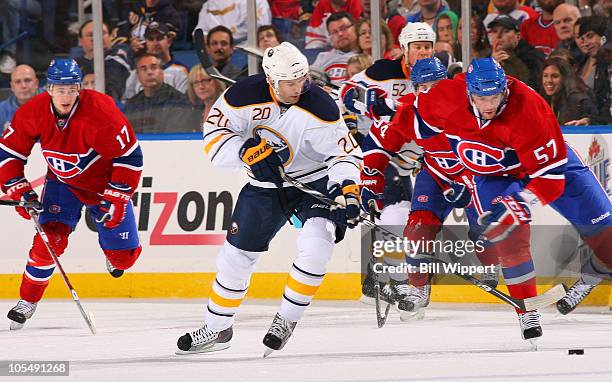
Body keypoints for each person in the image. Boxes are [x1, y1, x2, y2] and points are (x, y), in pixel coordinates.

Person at [176, 42, 361, 355]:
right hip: (263, 188)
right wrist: (245, 152)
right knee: (235, 258)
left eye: (303, 80)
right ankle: (218, 328)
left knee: (318, 244)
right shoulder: (241, 96)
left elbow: (343, 154)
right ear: (272, 80)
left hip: (311, 182)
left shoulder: (321, 105)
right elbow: (214, 137)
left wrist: (347, 186)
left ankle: (287, 319)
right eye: (291, 83)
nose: (299, 88)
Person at [411, 57, 612, 336]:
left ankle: (592, 273)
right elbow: (418, 113)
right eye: (482, 98)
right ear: (468, 92)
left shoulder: (531, 110)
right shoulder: (444, 97)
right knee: (511, 238)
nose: (490, 104)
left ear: (505, 88)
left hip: (549, 169)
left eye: (495, 96)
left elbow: (550, 181)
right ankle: (527, 312)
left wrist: (521, 203)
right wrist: (449, 167)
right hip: (495, 175)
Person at [0, 58, 143, 329]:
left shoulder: (101, 111)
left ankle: (113, 254)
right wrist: (18, 187)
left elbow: (130, 157)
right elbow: (8, 153)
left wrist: (119, 196)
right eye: (60, 88)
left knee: (124, 258)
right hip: (62, 183)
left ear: (79, 88)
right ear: (49, 88)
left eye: (71, 88)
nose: (66, 95)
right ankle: (27, 301)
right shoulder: (33, 112)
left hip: (104, 186)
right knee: (48, 241)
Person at [360, 57, 499, 318]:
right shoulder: (410, 111)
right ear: (415, 89)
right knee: (416, 229)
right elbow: (379, 143)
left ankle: (492, 262)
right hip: (436, 174)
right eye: (423, 87)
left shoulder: (470, 104)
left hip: (475, 173)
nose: (430, 92)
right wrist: (370, 182)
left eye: (436, 85)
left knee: (484, 226)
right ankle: (418, 288)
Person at [339, 22, 436, 311]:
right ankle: (399, 280)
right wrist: (362, 107)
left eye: (428, 46)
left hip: (411, 158)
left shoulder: (438, 75)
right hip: (380, 151)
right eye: (417, 46)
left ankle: (377, 279)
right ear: (404, 49)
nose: (423, 52)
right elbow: (347, 92)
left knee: (396, 217)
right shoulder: (383, 71)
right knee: (394, 214)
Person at [124, 53, 192, 133]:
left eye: (153, 68)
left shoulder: (179, 100)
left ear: (162, 72)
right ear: (138, 75)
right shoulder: (132, 104)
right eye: (144, 69)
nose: (149, 72)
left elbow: (175, 136)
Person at [122, 22, 189, 102]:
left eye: (159, 38)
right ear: (146, 43)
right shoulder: (136, 73)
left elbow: (182, 103)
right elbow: (128, 103)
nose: (155, 43)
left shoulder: (180, 71)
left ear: (169, 42)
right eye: (151, 39)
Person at [75, 20, 131, 101]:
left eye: (103, 33)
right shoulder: (74, 66)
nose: (97, 38)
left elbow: (114, 93)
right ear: (80, 41)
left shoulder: (117, 58)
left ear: (110, 36)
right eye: (91, 35)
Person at [489, 14, 546, 91]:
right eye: (495, 31)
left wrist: (512, 60)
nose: (498, 36)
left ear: (518, 36)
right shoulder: (487, 59)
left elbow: (529, 87)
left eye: (505, 31)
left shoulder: (533, 57)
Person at [574, 15, 611, 124]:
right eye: (583, 39)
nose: (585, 44)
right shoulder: (602, 66)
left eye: (590, 36)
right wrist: (592, 121)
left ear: (604, 37)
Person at [538, 57, 597, 125]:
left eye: (555, 76)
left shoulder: (579, 101)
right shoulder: (543, 99)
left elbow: (599, 121)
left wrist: (589, 121)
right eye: (545, 76)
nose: (549, 81)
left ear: (565, 78)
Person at [311, 12, 360, 86]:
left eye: (343, 28)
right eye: (334, 32)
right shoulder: (323, 57)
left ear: (355, 28)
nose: (340, 34)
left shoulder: (365, 54)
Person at [195, 0, 272, 45]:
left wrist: (227, 40)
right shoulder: (209, 4)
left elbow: (263, 30)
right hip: (216, 50)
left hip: (248, 51)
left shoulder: (257, 2)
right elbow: (199, 32)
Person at [185, 65, 226, 132]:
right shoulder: (194, 112)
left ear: (217, 81)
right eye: (196, 83)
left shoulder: (227, 107)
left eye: (205, 81)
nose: (201, 86)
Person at [0, 65, 40, 133]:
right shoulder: (2, 111)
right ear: (12, 86)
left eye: (27, 80)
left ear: (36, 83)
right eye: (18, 82)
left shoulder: (55, 106)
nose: (23, 86)